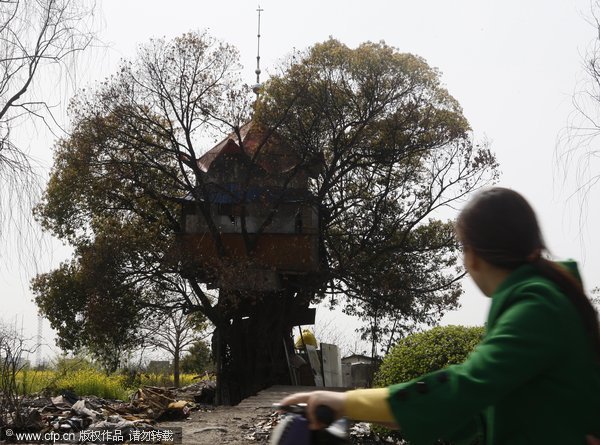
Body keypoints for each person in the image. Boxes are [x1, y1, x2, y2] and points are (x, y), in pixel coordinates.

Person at [279, 187, 600, 445]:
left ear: (473, 255)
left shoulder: (537, 308)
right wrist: (368, 410)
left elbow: (465, 386)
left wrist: (347, 403)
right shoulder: (541, 300)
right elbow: (476, 406)